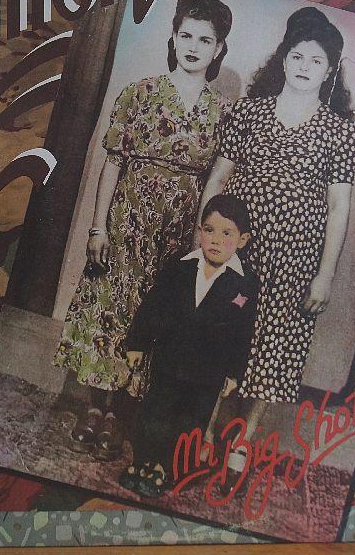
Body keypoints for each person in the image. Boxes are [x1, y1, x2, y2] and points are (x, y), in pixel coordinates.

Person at [53, 0, 234, 460]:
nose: (193, 46)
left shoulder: (222, 112)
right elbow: (111, 163)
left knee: (152, 316)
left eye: (205, 40)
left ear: (219, 49)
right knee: (110, 308)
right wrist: (98, 228)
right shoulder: (140, 93)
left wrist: (200, 242)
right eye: (186, 35)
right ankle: (95, 407)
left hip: (177, 233)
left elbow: (215, 181)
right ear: (173, 37)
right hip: (126, 222)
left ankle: (120, 416)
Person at [198, 6, 355, 479]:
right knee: (222, 335)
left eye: (316, 61)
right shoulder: (249, 112)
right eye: (298, 56)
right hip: (240, 249)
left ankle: (243, 440)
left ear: (329, 72)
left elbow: (339, 207)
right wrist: (204, 239)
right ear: (283, 59)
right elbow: (218, 178)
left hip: (295, 260)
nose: (305, 67)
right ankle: (205, 430)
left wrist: (325, 275)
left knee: (276, 345)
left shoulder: (340, 131)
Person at [117, 195, 258, 497]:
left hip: (207, 374)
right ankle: (143, 461)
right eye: (209, 230)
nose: (215, 240)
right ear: (199, 231)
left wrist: (234, 374)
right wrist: (138, 343)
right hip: (168, 361)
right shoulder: (180, 267)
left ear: (242, 240)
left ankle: (166, 468)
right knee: (155, 413)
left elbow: (242, 334)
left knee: (189, 423)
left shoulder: (244, 284)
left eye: (226, 233)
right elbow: (153, 307)